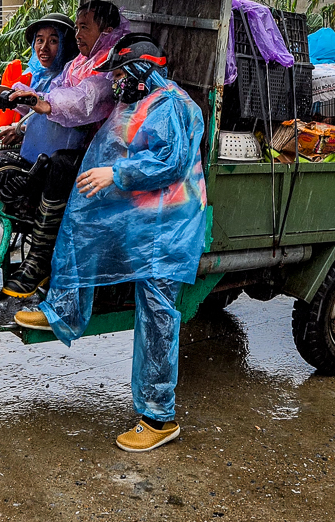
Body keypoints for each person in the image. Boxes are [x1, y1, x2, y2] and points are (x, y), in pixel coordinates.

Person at [14, 34, 207, 453]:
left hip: (163, 225)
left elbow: (169, 162)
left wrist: (116, 175)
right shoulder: (134, 101)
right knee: (79, 226)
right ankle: (62, 309)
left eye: (120, 73)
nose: (114, 81)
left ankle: (159, 416)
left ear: (142, 72)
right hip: (135, 211)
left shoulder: (171, 104)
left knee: (157, 314)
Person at [0, 0, 130, 298]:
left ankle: (41, 259)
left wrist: (45, 103)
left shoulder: (111, 65)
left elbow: (85, 100)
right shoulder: (77, 62)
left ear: (106, 30)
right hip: (80, 142)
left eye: (84, 27)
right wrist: (14, 97)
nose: (78, 33)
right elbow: (52, 90)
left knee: (58, 164)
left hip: (103, 151)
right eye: (77, 26)